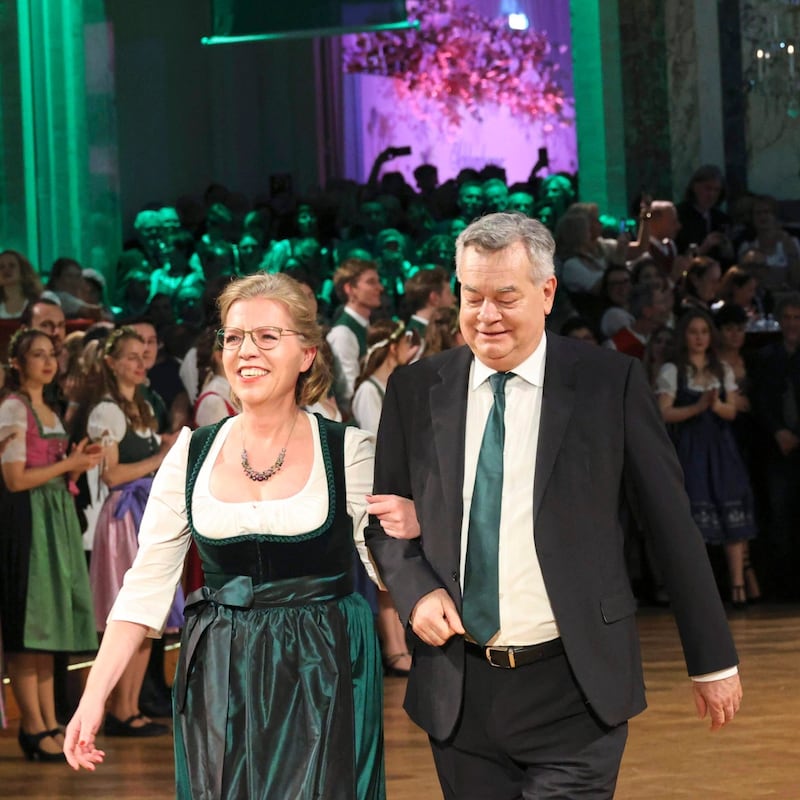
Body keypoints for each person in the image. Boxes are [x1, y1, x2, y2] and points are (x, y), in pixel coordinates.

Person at [365, 212, 741, 799]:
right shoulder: (416, 390)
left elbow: (671, 528)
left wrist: (711, 660)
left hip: (577, 689)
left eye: (505, 296)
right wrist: (415, 592)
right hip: (459, 695)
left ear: (546, 292)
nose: (485, 316)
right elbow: (386, 520)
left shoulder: (606, 383)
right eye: (472, 296)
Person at [64, 273, 388, 799]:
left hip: (323, 666)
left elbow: (387, 566)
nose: (246, 351)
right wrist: (92, 698)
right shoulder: (191, 453)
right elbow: (143, 588)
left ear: (307, 354)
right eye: (234, 337)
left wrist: (408, 529)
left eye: (267, 336)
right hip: (219, 669)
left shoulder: (348, 451)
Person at [0, 329, 102, 761]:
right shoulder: (13, 408)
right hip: (27, 522)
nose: (47, 362)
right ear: (17, 364)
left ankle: (47, 720)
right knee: (29, 628)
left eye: (50, 355)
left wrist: (75, 468)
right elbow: (15, 479)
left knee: (48, 629)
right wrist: (69, 463)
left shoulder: (50, 408)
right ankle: (32, 726)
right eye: (36, 355)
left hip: (55, 517)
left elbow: (54, 473)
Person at [84, 327, 179, 737]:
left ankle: (132, 705)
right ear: (111, 363)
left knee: (152, 615)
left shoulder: (142, 405)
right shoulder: (107, 410)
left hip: (143, 507)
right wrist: (162, 455)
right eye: (131, 357)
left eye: (144, 355)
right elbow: (112, 473)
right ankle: (120, 709)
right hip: (124, 514)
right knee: (133, 608)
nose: (141, 363)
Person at [656, 308, 757, 607]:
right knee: (696, 515)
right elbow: (663, 412)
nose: (699, 338)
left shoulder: (720, 368)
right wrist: (698, 407)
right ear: (684, 336)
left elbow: (731, 411)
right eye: (693, 332)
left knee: (731, 509)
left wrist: (713, 406)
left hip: (722, 448)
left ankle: (737, 586)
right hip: (691, 449)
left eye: (704, 332)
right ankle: (698, 589)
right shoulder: (673, 370)